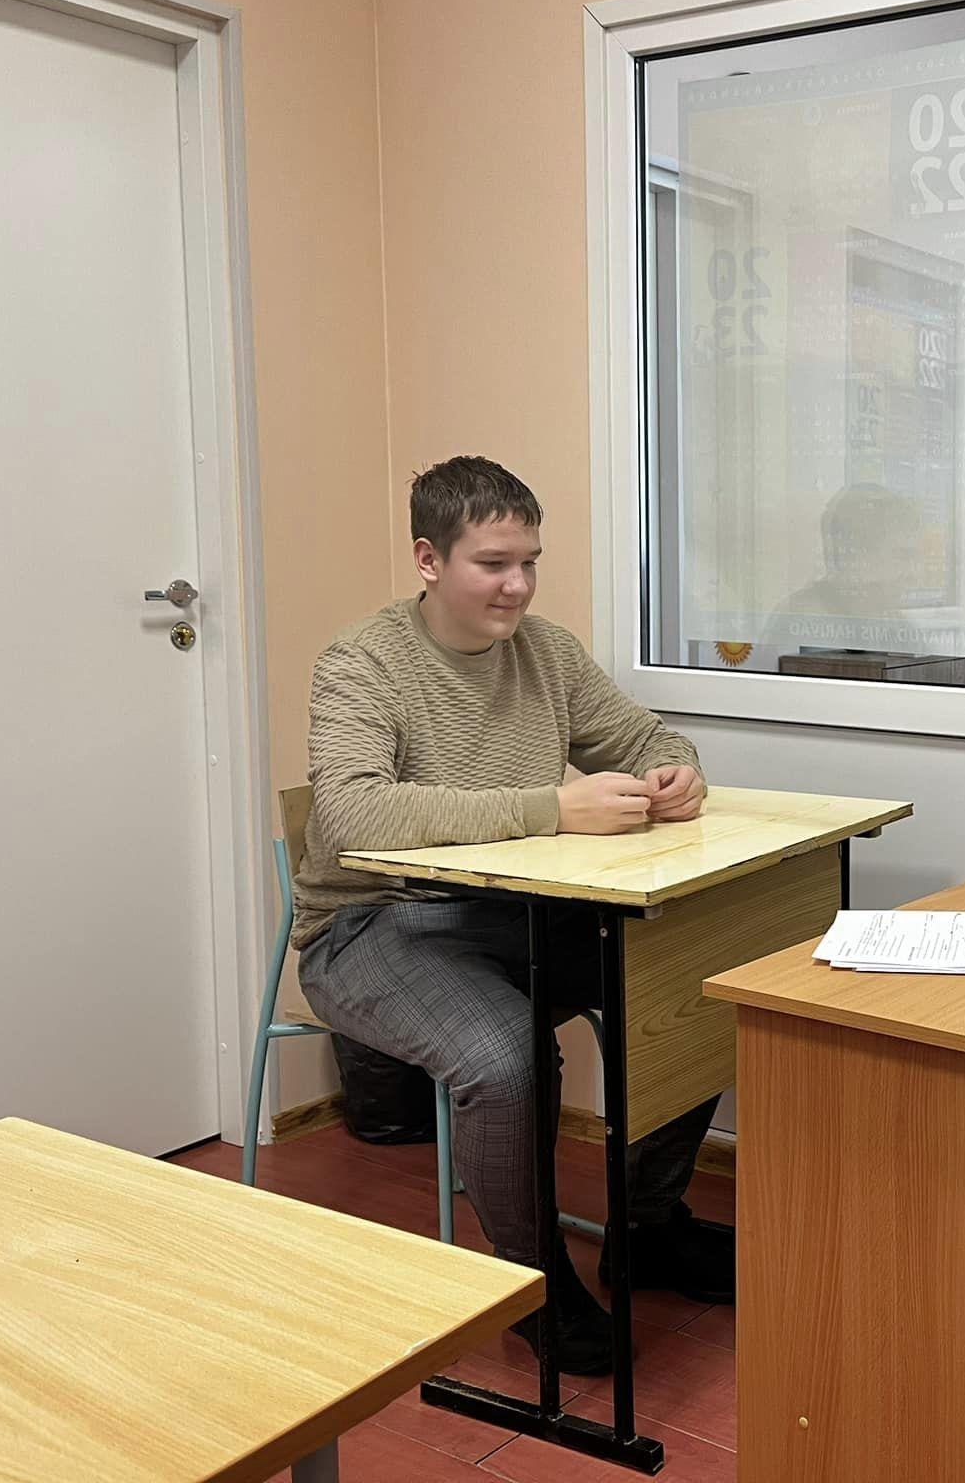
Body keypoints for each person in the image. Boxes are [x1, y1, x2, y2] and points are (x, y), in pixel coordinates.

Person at [293, 455, 729, 1377]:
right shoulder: (362, 662)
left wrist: (676, 772)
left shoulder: (548, 653)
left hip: (518, 913)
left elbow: (648, 736)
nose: (518, 586)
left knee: (702, 984)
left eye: (529, 562)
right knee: (505, 1057)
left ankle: (646, 1228)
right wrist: (550, 808)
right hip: (371, 926)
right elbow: (355, 814)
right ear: (428, 559)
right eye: (493, 564)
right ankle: (530, 1282)